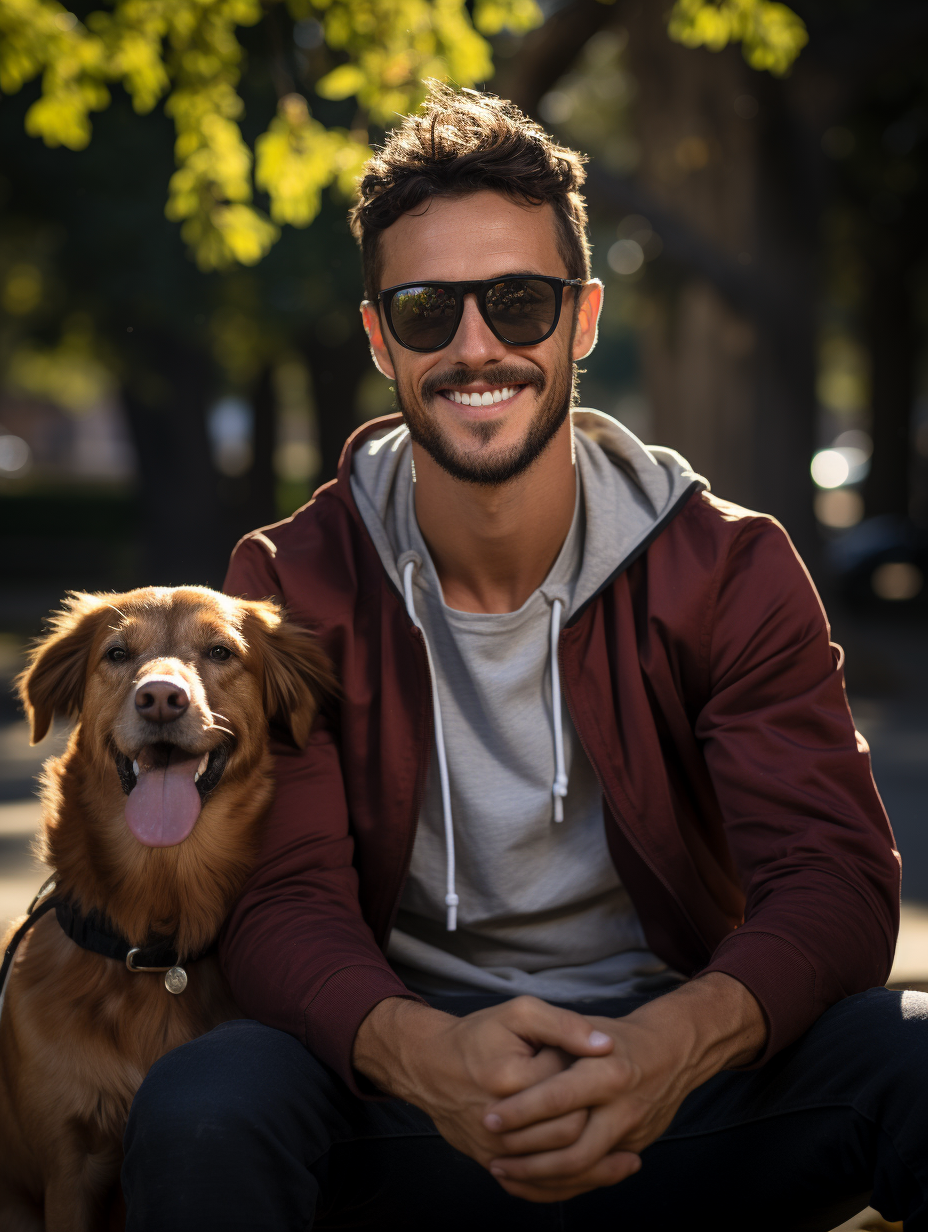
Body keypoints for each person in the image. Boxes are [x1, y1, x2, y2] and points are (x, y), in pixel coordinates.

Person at [123, 85, 926, 1231]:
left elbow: (837, 880)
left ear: (582, 318)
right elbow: (280, 902)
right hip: (397, 1095)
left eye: (518, 302)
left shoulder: (727, 565)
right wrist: (424, 1051)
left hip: (686, 1094)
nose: (475, 347)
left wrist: (665, 1046)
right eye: (424, 311)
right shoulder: (289, 582)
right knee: (204, 1101)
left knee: (914, 1050)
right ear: (375, 337)